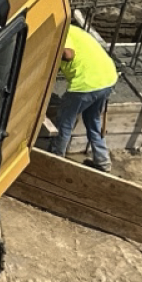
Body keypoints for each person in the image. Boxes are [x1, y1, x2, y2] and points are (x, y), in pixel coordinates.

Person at [51, 20, 119, 173]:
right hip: (107, 79)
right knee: (92, 119)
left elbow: (68, 54)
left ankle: (55, 160)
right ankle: (103, 162)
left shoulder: (62, 31)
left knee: (64, 121)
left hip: (86, 84)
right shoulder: (76, 31)